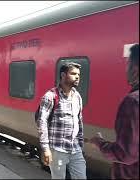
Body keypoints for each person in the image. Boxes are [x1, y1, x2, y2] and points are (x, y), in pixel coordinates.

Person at [90, 44, 139, 179]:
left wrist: (100, 143)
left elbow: (126, 154)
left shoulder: (133, 102)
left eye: (127, 64)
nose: (126, 69)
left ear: (135, 70)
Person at [35, 62, 86, 179]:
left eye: (78, 74)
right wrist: (46, 149)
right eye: (73, 73)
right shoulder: (50, 96)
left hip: (75, 148)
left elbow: (79, 122)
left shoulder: (77, 96)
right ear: (63, 75)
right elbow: (42, 122)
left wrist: (81, 146)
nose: (77, 77)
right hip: (58, 149)